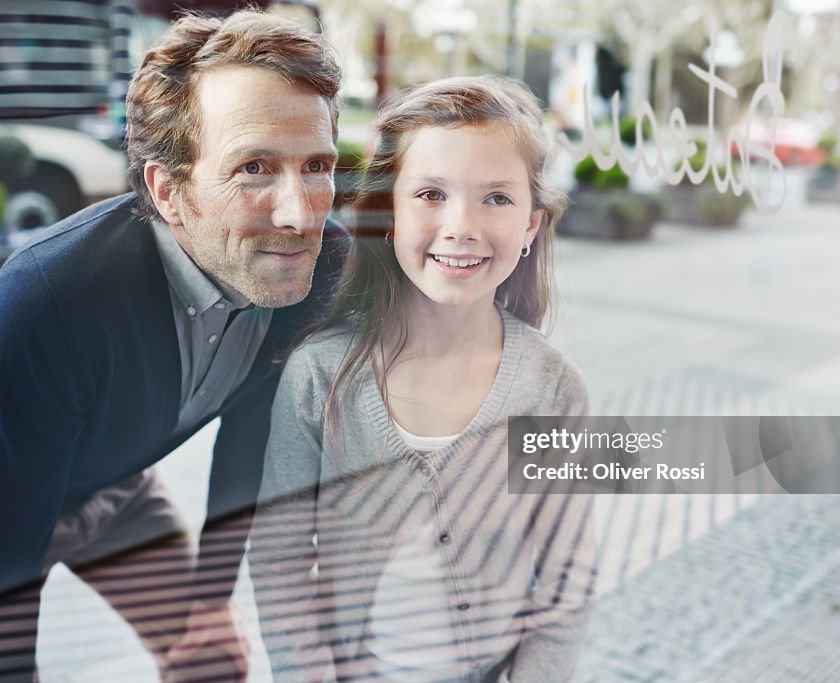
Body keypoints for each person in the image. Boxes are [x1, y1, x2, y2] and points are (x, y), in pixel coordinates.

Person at [0, 10, 345, 682]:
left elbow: (253, 428)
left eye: (316, 165)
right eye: (254, 167)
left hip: (111, 484)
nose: (299, 213)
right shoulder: (51, 293)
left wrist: (210, 598)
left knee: (212, 663)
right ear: (169, 191)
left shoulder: (313, 264)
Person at [248, 75, 597, 683]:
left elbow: (569, 573)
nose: (462, 225)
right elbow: (278, 560)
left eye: (496, 198)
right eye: (431, 194)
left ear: (532, 227)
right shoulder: (319, 376)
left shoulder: (553, 390)